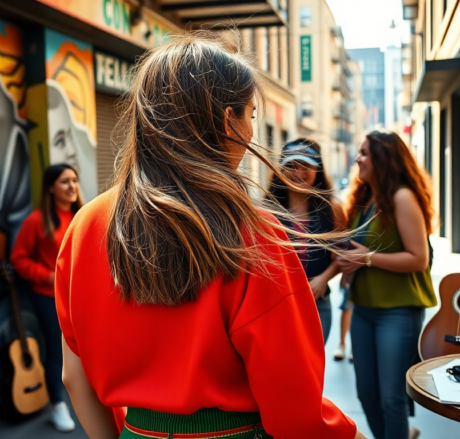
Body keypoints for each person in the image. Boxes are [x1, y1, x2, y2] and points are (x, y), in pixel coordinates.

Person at [55, 33, 368, 439]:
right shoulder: (253, 233)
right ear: (227, 121)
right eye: (251, 115)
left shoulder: (84, 227)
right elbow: (297, 416)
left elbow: (73, 377)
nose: (252, 130)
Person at [336, 131, 437, 439]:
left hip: (397, 312)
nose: (357, 159)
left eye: (364, 153)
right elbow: (357, 251)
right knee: (367, 395)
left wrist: (367, 259)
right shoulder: (364, 200)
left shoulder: (402, 197)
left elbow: (418, 259)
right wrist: (347, 267)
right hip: (363, 309)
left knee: (392, 399)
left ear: (383, 158)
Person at [11, 163, 83, 432]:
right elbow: (18, 258)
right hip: (48, 299)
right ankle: (57, 406)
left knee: (87, 351)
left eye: (75, 180)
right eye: (65, 181)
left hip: (82, 298)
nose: (72, 186)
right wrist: (49, 276)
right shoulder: (36, 221)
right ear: (51, 187)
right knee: (57, 354)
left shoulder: (83, 216)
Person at [267, 139, 346, 343]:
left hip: (317, 304)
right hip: (276, 305)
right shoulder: (266, 210)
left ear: (317, 170)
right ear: (280, 170)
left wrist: (324, 278)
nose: (298, 172)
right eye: (291, 166)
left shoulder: (333, 209)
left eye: (306, 166)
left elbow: (343, 255)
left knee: (314, 372)